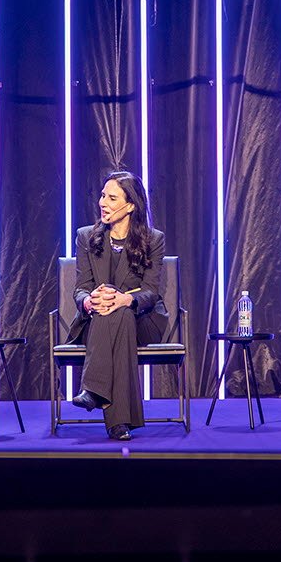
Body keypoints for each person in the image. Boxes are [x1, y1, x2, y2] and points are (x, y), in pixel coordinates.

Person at [62, 170, 170, 441]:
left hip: (143, 320)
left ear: (131, 205)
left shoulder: (153, 240)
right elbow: (81, 287)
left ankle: (93, 389)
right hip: (96, 321)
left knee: (120, 311)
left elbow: (151, 292)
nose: (103, 203)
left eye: (112, 198)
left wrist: (126, 300)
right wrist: (89, 301)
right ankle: (119, 423)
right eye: (102, 196)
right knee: (113, 314)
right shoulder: (86, 237)